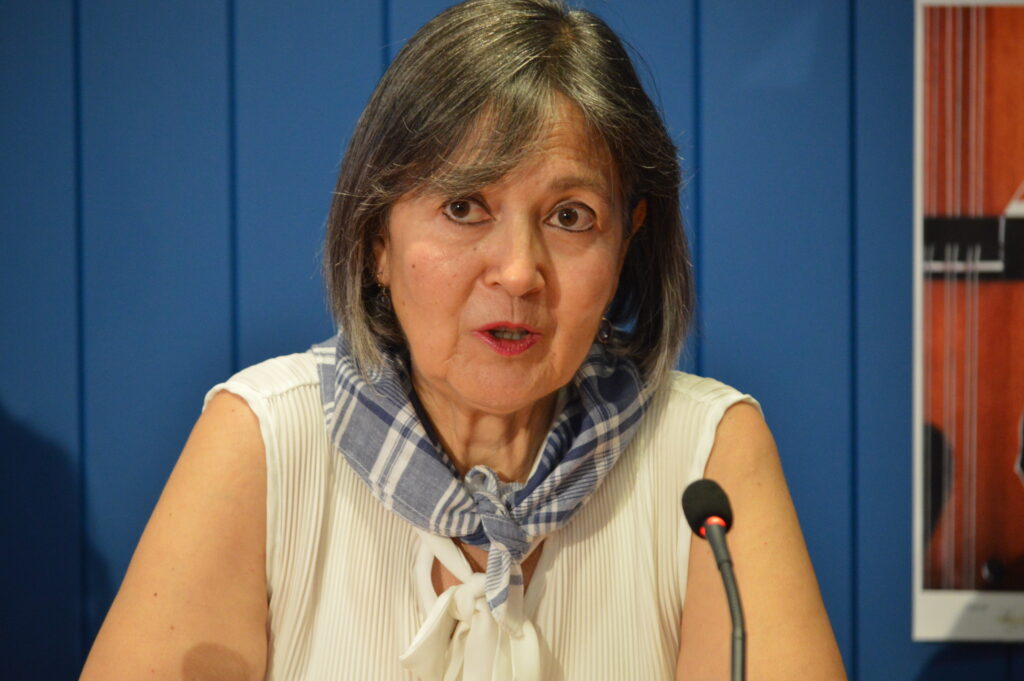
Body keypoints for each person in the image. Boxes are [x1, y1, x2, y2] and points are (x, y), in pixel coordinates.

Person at [80, 1, 847, 679]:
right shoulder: (264, 439)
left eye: (570, 216)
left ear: (627, 245)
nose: (518, 272)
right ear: (377, 237)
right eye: (464, 206)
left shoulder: (706, 455)